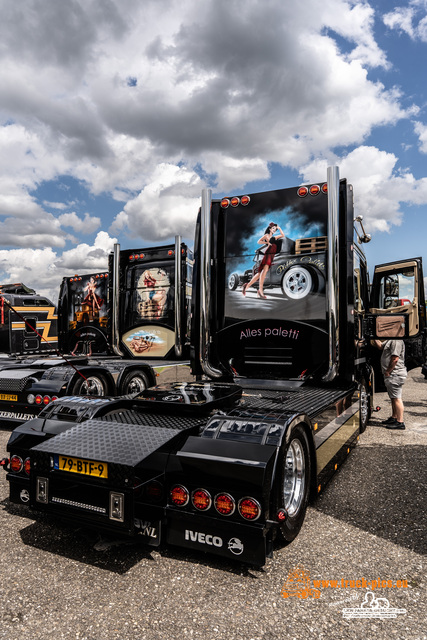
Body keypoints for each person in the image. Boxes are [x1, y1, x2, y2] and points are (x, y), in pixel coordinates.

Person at [242, 222, 285, 299]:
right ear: (270, 229)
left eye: (275, 229)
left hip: (271, 255)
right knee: (263, 272)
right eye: (273, 228)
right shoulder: (267, 236)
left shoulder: (274, 237)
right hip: (268, 254)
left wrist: (279, 228)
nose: (274, 230)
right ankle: (260, 290)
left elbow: (283, 235)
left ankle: (247, 286)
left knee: (259, 273)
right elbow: (258, 241)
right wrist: (267, 242)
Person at [374, 339, 407, 430]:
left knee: (397, 398)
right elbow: (380, 346)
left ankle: (400, 422)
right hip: (392, 374)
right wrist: (374, 337)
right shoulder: (391, 339)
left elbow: (395, 359)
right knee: (393, 397)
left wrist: (388, 371)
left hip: (395, 374)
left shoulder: (396, 341)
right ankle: (394, 417)